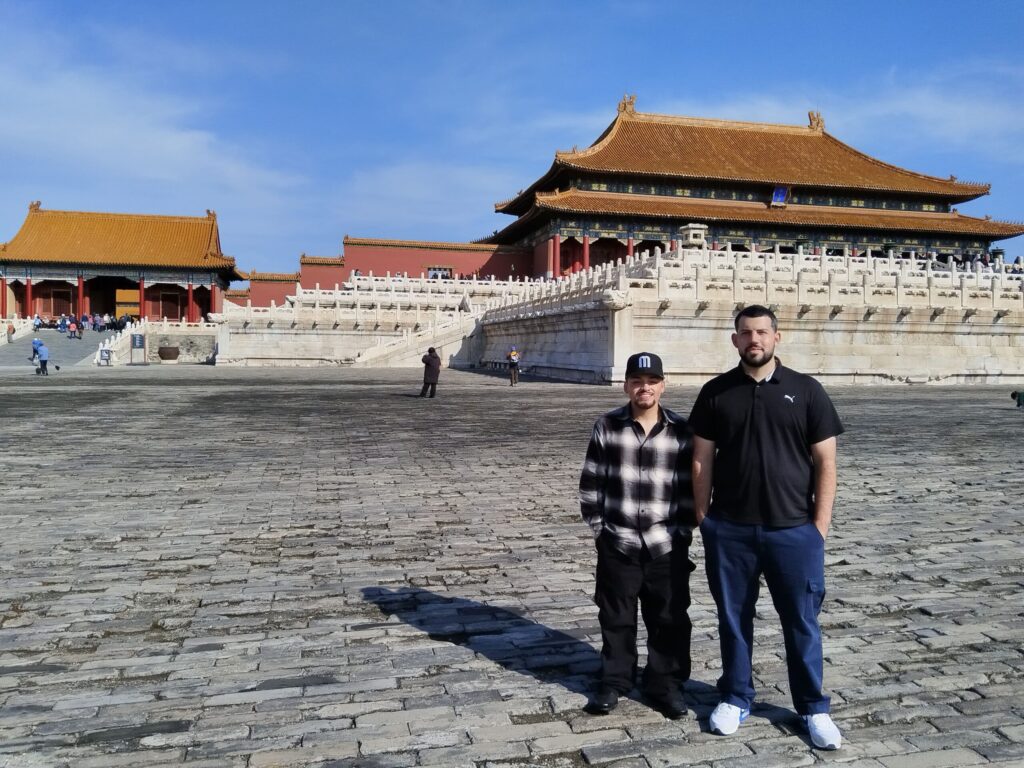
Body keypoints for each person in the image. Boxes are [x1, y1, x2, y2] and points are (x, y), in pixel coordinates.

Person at [689, 304, 845, 750]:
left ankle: (813, 708)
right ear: (734, 340)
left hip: (793, 530)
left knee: (801, 621)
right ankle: (736, 696)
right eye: (745, 332)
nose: (753, 339)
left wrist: (819, 526)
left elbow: (826, 461)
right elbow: (701, 457)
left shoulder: (807, 390)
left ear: (777, 336)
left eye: (761, 332)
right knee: (733, 619)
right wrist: (704, 517)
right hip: (731, 529)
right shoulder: (717, 392)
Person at [579, 352, 695, 719]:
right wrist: (601, 532)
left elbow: (691, 488)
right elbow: (591, 483)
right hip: (619, 540)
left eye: (651, 381)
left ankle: (666, 685)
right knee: (616, 617)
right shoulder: (608, 425)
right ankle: (615, 681)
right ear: (627, 384)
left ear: (662, 384)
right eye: (637, 381)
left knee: (670, 618)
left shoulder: (682, 430)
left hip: (666, 543)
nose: (644, 387)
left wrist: (682, 532)